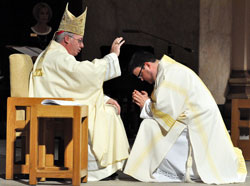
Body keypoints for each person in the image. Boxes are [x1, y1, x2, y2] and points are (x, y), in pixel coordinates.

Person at [29, 3, 129, 181]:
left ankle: (105, 167)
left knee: (106, 108)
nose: (82, 45)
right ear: (67, 39)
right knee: (105, 113)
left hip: (55, 102)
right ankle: (96, 168)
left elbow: (71, 85)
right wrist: (112, 56)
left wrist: (103, 97)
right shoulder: (57, 56)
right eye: (80, 40)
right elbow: (82, 74)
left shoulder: (54, 54)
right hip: (53, 107)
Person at [123, 51, 247, 184]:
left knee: (149, 126)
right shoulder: (168, 71)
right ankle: (156, 169)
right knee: (151, 125)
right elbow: (168, 105)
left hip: (198, 122)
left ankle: (173, 171)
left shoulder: (170, 73)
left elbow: (167, 112)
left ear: (147, 65)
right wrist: (148, 102)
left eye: (140, 75)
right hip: (194, 118)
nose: (141, 79)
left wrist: (146, 104)